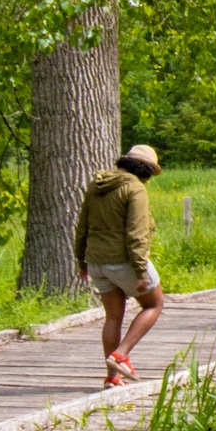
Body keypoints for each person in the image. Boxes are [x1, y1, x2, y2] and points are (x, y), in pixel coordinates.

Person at [74, 144, 165, 387]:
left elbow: (82, 227)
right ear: (145, 170)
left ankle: (112, 377)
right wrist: (140, 269)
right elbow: (137, 233)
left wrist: (82, 261)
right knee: (154, 304)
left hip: (96, 262)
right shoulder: (134, 189)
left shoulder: (96, 184)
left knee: (113, 317)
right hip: (123, 261)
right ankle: (120, 355)